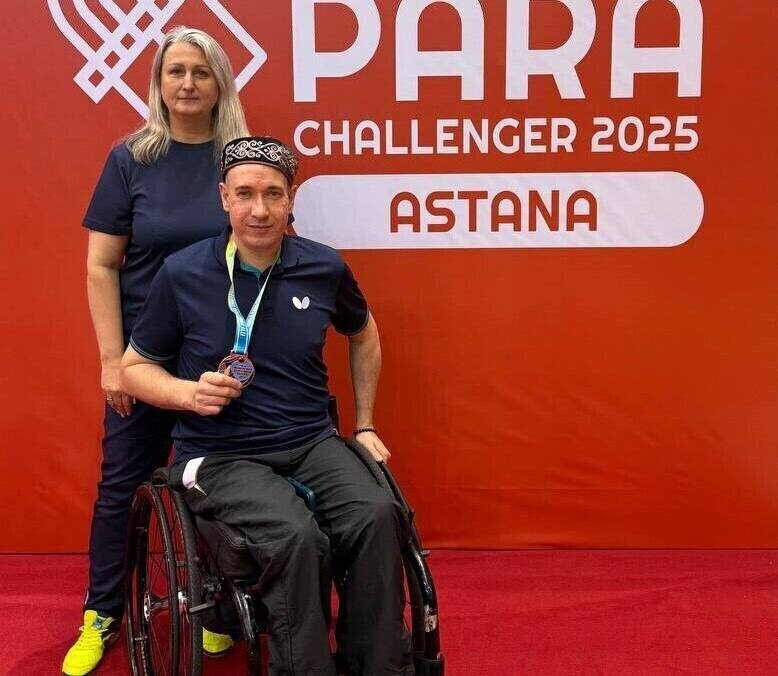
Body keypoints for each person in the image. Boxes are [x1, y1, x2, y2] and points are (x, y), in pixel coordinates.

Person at [120, 136, 414, 676]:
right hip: (220, 454)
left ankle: (378, 666)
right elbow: (132, 369)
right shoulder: (183, 273)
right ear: (224, 198)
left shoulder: (323, 266)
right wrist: (188, 393)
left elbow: (364, 333)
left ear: (291, 198)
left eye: (273, 194)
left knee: (377, 516)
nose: (260, 209)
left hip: (309, 442)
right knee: (294, 536)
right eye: (246, 194)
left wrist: (365, 424)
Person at [62, 27, 248, 676]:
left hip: (219, 357)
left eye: (201, 71)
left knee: (219, 484)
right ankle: (101, 612)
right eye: (176, 71)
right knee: (122, 486)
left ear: (220, 83)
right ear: (158, 83)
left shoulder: (239, 158)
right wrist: (112, 361)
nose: (188, 83)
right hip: (145, 356)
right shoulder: (130, 159)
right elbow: (100, 266)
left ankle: (219, 608)